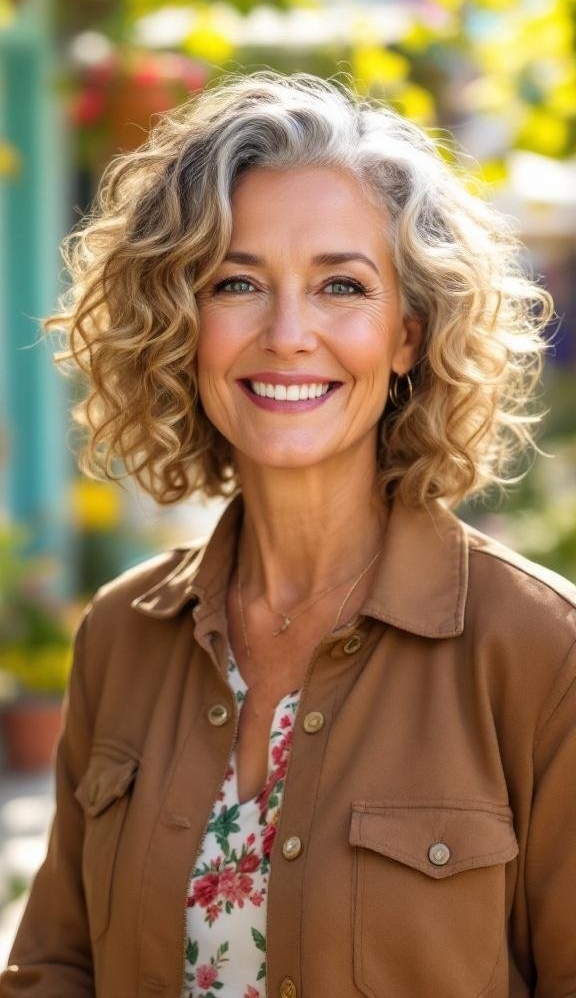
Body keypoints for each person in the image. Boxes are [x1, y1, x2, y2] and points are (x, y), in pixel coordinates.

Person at [1, 70, 574, 998]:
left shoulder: (544, 655)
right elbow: (55, 968)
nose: (289, 332)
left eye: (342, 285)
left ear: (408, 336)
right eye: (237, 282)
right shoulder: (120, 635)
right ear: (182, 327)